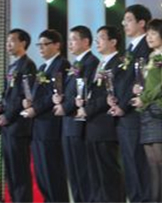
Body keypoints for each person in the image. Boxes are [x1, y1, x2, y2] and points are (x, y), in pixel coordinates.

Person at [109, 4, 152, 202]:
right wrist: (112, 98)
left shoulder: (146, 47)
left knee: (139, 164)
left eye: (129, 20)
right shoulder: (129, 49)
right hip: (123, 116)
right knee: (129, 164)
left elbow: (139, 81)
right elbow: (122, 81)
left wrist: (123, 105)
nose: (124, 23)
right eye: (124, 20)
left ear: (142, 23)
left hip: (135, 113)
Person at [78, 25, 125, 203]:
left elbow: (109, 95)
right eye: (97, 38)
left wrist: (88, 109)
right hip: (92, 125)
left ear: (113, 42)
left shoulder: (118, 63)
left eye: (102, 38)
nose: (97, 41)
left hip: (105, 124)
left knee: (108, 172)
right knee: (95, 173)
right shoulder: (100, 63)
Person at [21, 29, 70, 202]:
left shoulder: (62, 64)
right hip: (38, 127)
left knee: (53, 173)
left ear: (57, 45)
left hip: (51, 126)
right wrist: (29, 102)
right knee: (41, 174)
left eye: (45, 44)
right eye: (39, 45)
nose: (41, 48)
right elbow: (38, 93)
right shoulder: (42, 67)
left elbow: (55, 94)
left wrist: (35, 109)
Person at [131, 18, 162, 203]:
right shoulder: (151, 56)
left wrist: (144, 97)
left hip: (159, 109)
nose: (149, 37)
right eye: (148, 33)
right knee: (152, 162)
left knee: (161, 161)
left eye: (153, 33)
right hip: (147, 111)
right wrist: (139, 90)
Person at [53, 25, 98, 203]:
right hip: (68, 124)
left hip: (80, 124)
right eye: (69, 40)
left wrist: (66, 107)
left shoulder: (91, 62)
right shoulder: (76, 63)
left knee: (84, 172)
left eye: (74, 39)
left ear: (86, 41)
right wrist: (60, 99)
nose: (70, 43)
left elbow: (84, 91)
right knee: (73, 173)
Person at [0, 28, 37, 203]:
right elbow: (9, 94)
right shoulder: (12, 66)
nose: (8, 44)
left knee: (20, 171)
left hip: (19, 126)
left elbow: (24, 96)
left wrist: (8, 116)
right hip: (8, 126)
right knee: (10, 172)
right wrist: (0, 109)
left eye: (12, 40)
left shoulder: (28, 65)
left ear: (23, 43)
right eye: (7, 41)